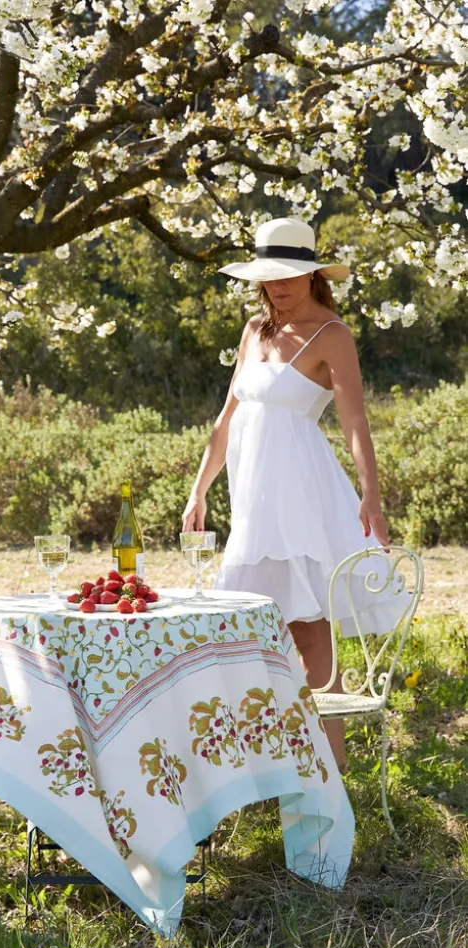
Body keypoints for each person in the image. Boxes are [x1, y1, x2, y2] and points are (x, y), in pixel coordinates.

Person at [182, 216, 394, 771]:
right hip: (253, 499)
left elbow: (355, 423)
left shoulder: (333, 336)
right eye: (269, 275)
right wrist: (199, 491)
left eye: (290, 274)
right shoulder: (256, 330)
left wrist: (371, 496)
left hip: (299, 492)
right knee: (248, 626)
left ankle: (333, 772)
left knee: (308, 628)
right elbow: (227, 417)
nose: (278, 285)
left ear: (313, 275)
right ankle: (268, 763)